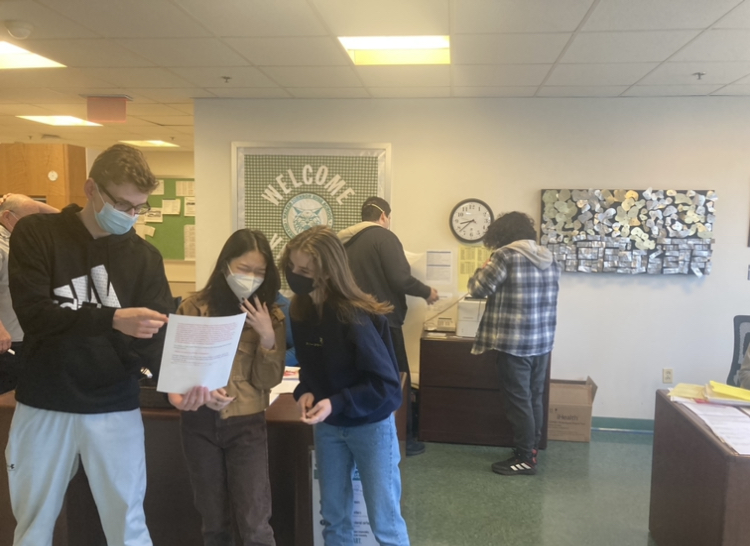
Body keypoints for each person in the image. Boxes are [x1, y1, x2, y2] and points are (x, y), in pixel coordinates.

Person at [5, 144, 174, 546]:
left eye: (140, 208)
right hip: (45, 400)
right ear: (91, 188)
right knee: (33, 524)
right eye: (122, 204)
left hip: (114, 404)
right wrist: (113, 318)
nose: (130, 216)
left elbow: (158, 334)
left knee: (128, 522)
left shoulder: (144, 257)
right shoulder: (37, 234)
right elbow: (35, 316)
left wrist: (180, 381)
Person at [282, 226, 410, 546]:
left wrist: (336, 402)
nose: (296, 276)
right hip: (330, 426)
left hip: (370, 425)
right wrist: (305, 392)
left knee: (385, 520)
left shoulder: (353, 315)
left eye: (305, 270)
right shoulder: (300, 311)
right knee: (334, 518)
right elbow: (312, 372)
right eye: (292, 268)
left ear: (327, 272)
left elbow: (387, 387)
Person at [167, 229, 285, 546]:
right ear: (226, 265)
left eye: (259, 272)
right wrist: (202, 388)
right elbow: (178, 376)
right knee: (213, 521)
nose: (251, 278)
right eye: (244, 269)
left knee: (255, 523)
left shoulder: (270, 314)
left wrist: (267, 337)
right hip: (199, 425)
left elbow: (268, 381)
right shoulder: (192, 307)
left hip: (247, 425)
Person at [338, 196, 438, 457]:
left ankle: (368, 432)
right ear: (383, 215)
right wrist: (427, 291)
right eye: (389, 217)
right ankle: (403, 438)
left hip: (351, 320)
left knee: (364, 378)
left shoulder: (347, 242)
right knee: (397, 378)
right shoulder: (384, 237)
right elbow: (399, 278)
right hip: (383, 321)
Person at [467, 211, 560, 476]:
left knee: (518, 400)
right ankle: (531, 449)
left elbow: (478, 289)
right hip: (542, 341)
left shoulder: (505, 256)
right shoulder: (549, 258)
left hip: (514, 342)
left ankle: (524, 458)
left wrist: (482, 268)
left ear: (502, 234)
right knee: (534, 397)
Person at [0, 194, 58, 394]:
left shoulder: (20, 242)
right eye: (29, 219)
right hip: (6, 341)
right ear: (7, 217)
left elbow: (68, 218)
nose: (35, 226)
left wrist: (35, 206)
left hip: (25, 337)